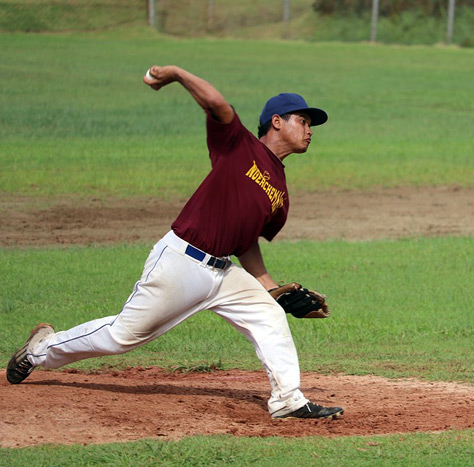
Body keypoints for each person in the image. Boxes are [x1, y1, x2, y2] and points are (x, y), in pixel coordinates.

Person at [5, 65, 344, 420]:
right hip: (182, 262)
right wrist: (177, 73)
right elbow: (215, 102)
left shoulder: (280, 191)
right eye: (303, 121)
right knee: (123, 336)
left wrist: (270, 288)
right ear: (277, 121)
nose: (309, 130)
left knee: (269, 315)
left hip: (223, 273)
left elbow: (244, 244)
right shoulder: (238, 145)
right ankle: (41, 349)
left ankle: (288, 400)